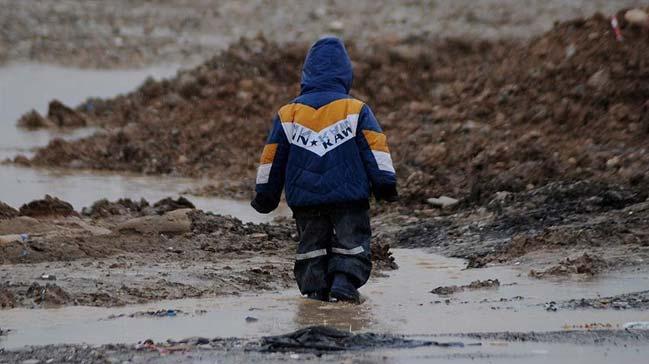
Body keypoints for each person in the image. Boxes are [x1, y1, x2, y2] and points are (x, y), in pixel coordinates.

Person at [251, 36, 398, 303]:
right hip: (349, 197)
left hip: (306, 200)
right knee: (352, 240)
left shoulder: (289, 114)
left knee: (311, 246)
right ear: (346, 74)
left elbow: (271, 158)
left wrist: (265, 195)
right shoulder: (355, 109)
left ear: (306, 74)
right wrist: (385, 184)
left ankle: (315, 289)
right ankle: (344, 283)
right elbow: (376, 149)